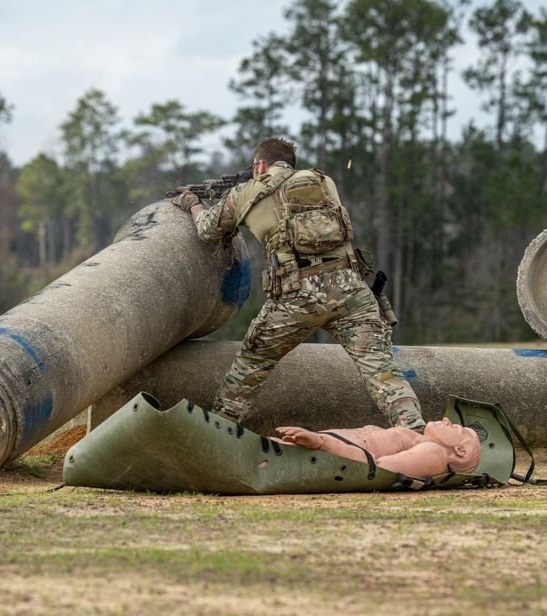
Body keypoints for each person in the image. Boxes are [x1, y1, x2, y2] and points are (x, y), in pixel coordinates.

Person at [171, 137, 425, 432]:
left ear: (261, 165)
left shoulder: (245, 192)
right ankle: (416, 436)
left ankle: (216, 436)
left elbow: (207, 230)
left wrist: (193, 204)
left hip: (296, 296)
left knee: (250, 365)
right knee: (382, 370)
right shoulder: (323, 181)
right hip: (351, 290)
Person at [275, 418, 482, 479]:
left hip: (309, 456)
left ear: (460, 451)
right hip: (301, 450)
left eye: (457, 428)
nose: (447, 420)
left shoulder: (435, 454)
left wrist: (322, 443)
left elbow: (375, 468)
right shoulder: (418, 441)